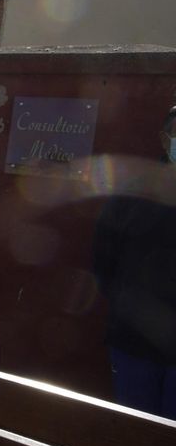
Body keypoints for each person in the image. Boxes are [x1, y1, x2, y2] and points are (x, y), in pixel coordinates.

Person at [92, 106, 176, 419]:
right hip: (133, 341)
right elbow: (103, 257)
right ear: (164, 137)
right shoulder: (134, 192)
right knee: (135, 434)